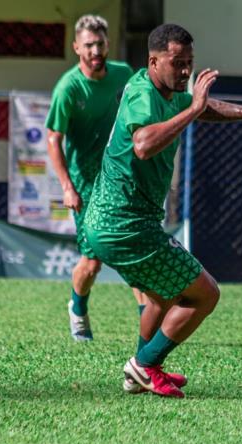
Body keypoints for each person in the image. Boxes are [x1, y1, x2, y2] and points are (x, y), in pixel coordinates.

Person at [82, 23, 242, 397]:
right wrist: (195, 107)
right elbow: (143, 144)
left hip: (124, 223)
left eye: (190, 63)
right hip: (124, 225)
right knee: (206, 294)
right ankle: (144, 365)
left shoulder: (170, 92)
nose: (186, 71)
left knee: (161, 296)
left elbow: (204, 110)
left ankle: (140, 372)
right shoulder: (142, 91)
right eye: (177, 63)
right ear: (153, 61)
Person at [46, 14, 144, 341]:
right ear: (77, 47)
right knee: (93, 262)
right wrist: (67, 188)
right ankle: (77, 308)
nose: (95, 50)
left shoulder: (123, 75)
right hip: (86, 187)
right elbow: (52, 139)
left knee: (133, 248)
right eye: (88, 45)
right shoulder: (68, 88)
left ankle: (149, 323)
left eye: (100, 43)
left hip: (120, 181)